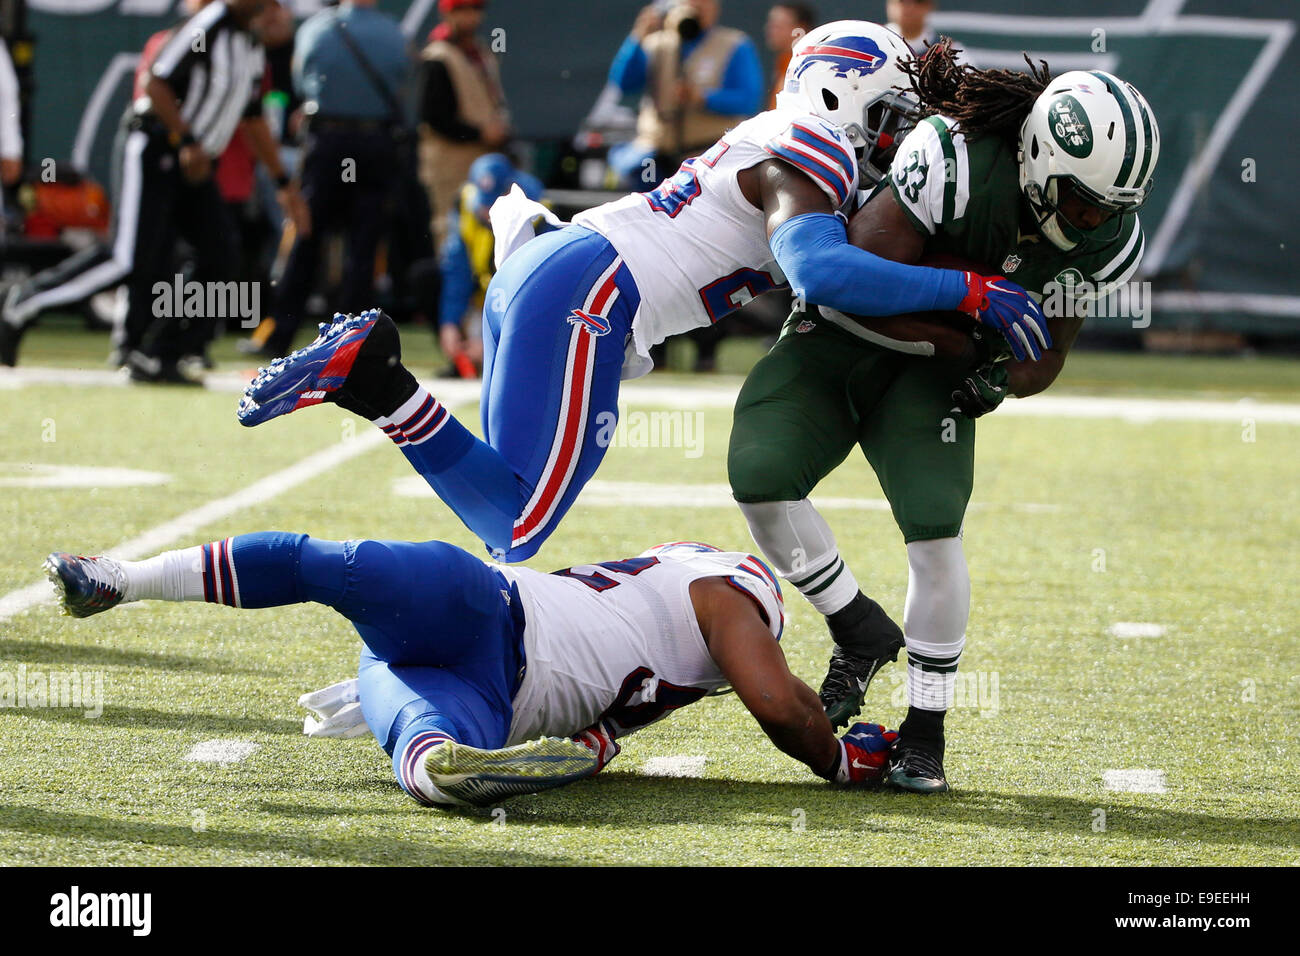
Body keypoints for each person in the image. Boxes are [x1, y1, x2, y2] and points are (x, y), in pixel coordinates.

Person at [236, 21, 1049, 568]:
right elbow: (819, 272)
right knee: (518, 523)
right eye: (889, 116)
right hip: (589, 293)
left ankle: (376, 397)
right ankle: (372, 377)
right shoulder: (814, 153)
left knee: (503, 512)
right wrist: (971, 291)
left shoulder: (785, 140)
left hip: (563, 271)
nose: (892, 139)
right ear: (842, 94)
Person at [727, 41, 1161, 792]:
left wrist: (998, 377)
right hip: (840, 343)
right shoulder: (954, 161)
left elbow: (1048, 356)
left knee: (935, 530)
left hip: (939, 378)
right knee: (758, 475)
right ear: (1036, 159)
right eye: (1086, 202)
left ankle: (926, 730)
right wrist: (967, 308)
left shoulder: (1104, 237)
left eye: (1111, 209)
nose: (1093, 224)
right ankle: (856, 626)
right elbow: (851, 289)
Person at [45, 539, 899, 807]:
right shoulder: (724, 591)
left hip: (479, 638)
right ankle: (123, 582)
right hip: (493, 630)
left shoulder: (664, 609)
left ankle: (439, 761)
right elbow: (776, 701)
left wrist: (591, 750)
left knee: (338, 586)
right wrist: (838, 759)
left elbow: (617, 715)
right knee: (338, 576)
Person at [0, 0, 306, 378]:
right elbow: (154, 82)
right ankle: (26, 302)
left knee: (222, 254)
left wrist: (282, 182)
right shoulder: (208, 25)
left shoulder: (249, 43)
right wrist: (185, 138)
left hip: (195, 161)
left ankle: (164, 350)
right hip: (157, 147)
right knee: (129, 258)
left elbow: (253, 115)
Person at [252, 0, 412, 359]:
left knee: (306, 237)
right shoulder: (393, 33)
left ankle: (279, 333)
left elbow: (302, 82)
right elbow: (401, 80)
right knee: (364, 246)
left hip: (328, 143)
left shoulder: (317, 29)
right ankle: (353, 344)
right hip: (376, 144)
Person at [606, 0, 763, 191]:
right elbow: (624, 83)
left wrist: (703, 98)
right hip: (656, 155)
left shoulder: (735, 44)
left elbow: (748, 101)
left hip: (707, 158)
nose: (699, 6)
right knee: (649, 212)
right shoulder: (656, 42)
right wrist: (637, 37)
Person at [437, 152, 544, 378]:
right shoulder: (466, 205)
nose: (485, 211)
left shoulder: (535, 213)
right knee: (426, 277)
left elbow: (532, 292)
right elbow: (457, 270)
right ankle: (463, 358)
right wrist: (450, 323)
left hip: (522, 306)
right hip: (483, 297)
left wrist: (494, 340)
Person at [417, 0, 511, 250]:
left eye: (475, 9)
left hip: (484, 160)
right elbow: (434, 118)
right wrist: (480, 133)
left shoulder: (480, 53)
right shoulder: (437, 56)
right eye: (462, 10)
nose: (470, 17)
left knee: (489, 236)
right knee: (450, 233)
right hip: (450, 163)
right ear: (448, 13)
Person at [764, 3, 816, 109]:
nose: (769, 31)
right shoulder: (783, 62)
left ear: (800, 29)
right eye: (770, 25)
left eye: (778, 26)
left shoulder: (806, 68)